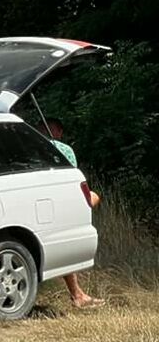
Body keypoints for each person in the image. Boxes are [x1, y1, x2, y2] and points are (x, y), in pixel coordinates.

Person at [41, 118, 104, 308]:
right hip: (60, 201)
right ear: (59, 132)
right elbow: (71, 178)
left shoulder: (28, 147)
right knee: (93, 197)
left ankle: (77, 293)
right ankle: (77, 294)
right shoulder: (64, 149)